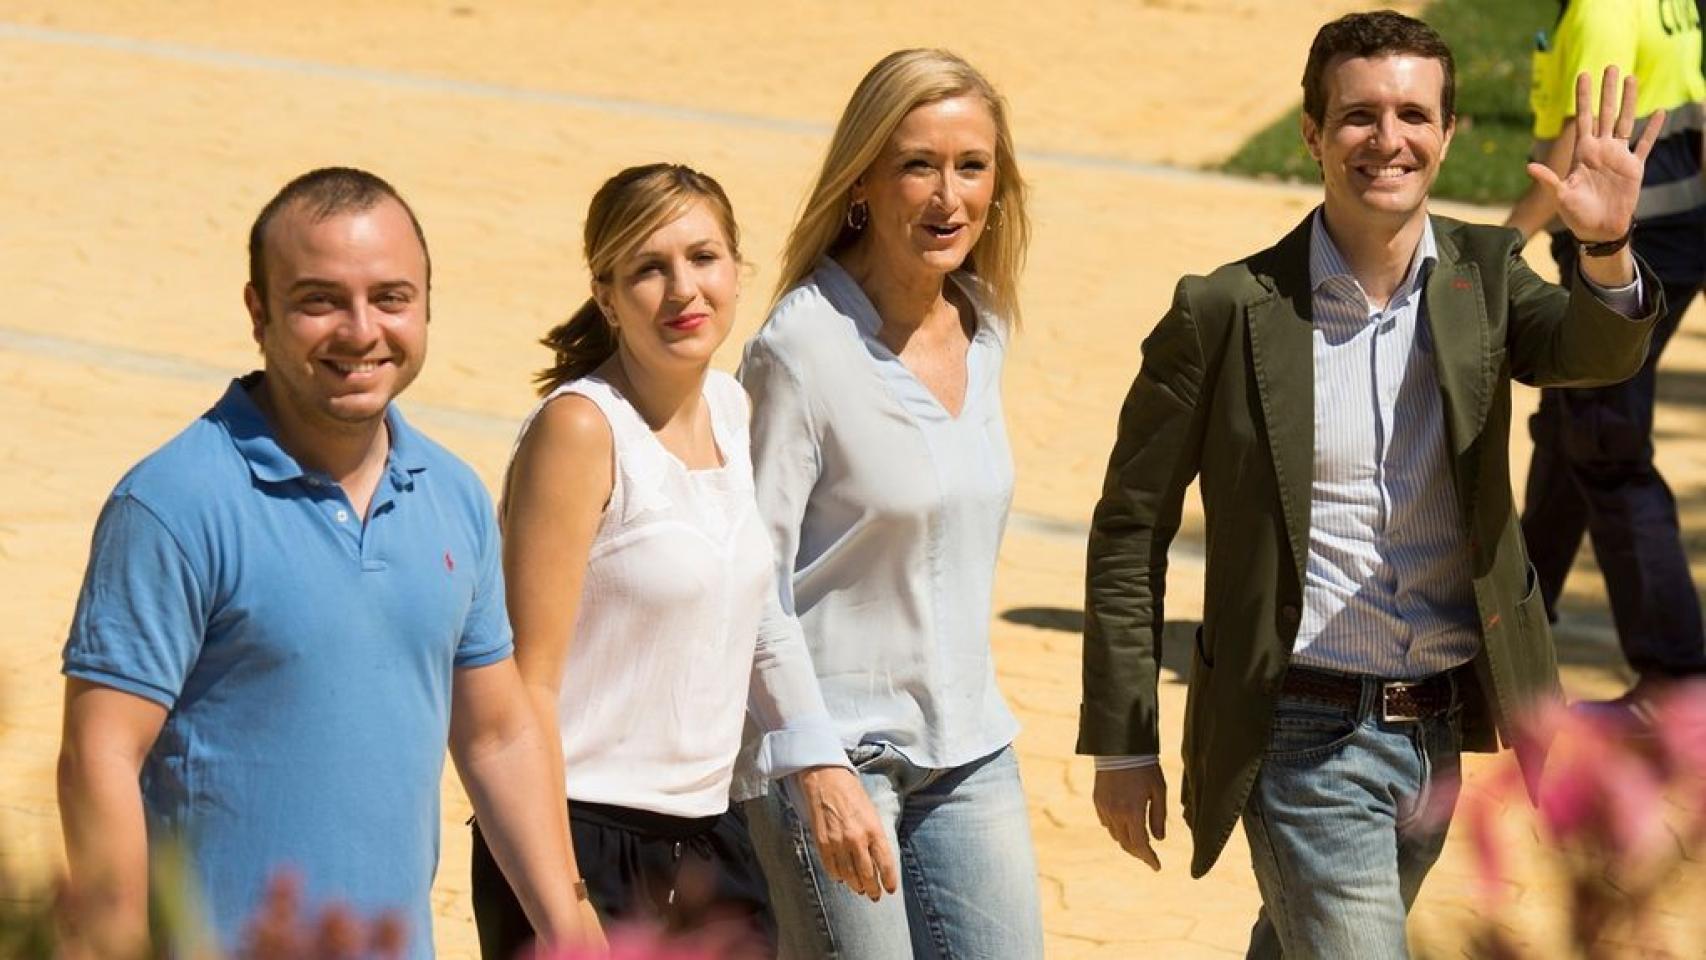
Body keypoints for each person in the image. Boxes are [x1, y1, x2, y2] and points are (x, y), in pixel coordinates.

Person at [1079, 11, 1666, 958]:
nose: (1387, 139)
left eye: (1413, 115)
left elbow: (1593, 352)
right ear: (1312, 134)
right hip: (1298, 732)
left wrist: (1604, 249)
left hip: (1436, 730)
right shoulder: (1224, 310)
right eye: (1358, 115)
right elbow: (1130, 529)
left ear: (1448, 134)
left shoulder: (1484, 277)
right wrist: (1124, 738)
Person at [56, 167, 596, 957]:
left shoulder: (453, 495)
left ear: (426, 305)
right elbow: (99, 755)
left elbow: (497, 737)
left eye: (390, 297)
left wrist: (576, 933)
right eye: (320, 300)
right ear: (258, 312)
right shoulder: (173, 504)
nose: (360, 330)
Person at [734, 48, 1045, 959]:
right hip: (833, 755)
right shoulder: (799, 348)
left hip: (970, 746)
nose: (948, 197)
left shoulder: (984, 323)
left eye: (971, 166)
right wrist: (812, 763)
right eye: (918, 165)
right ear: (863, 181)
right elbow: (750, 582)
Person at [469, 164, 777, 957]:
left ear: (737, 268)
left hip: (712, 841)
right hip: (582, 841)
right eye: (648, 268)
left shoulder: (733, 409)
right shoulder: (580, 431)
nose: (684, 290)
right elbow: (525, 686)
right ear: (606, 296)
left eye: (703, 258)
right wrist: (567, 907)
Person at [1507, 0, 1706, 707]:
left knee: (1604, 443)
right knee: (1573, 429)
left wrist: (1507, 239)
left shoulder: (1601, 9)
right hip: (1676, 233)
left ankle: (1677, 679)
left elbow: (1578, 142)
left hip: (1622, 245)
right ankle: (1509, 631)